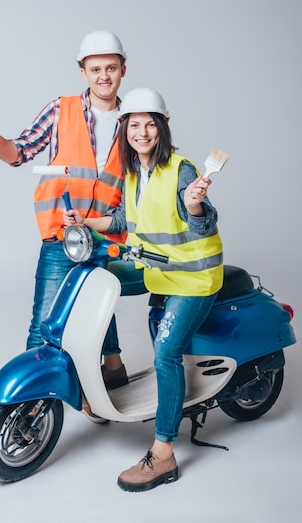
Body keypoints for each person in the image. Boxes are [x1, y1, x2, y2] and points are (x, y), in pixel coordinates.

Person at [64, 87, 223, 491]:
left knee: (166, 353)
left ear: (162, 128)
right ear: (125, 130)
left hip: (193, 277)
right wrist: (82, 223)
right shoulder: (134, 169)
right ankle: (110, 371)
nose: (142, 131)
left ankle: (164, 453)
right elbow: (123, 220)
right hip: (157, 271)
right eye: (134, 124)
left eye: (150, 124)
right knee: (96, 277)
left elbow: (204, 224)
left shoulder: (182, 169)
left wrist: (194, 205)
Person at [0, 31, 145, 410]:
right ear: (82, 71)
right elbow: (18, 152)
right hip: (63, 236)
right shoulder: (61, 110)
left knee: (96, 303)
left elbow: (145, 180)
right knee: (45, 325)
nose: (104, 76)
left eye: (111, 68)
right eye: (96, 68)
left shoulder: (134, 122)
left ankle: (112, 367)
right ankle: (29, 407)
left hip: (106, 237)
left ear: (123, 69)